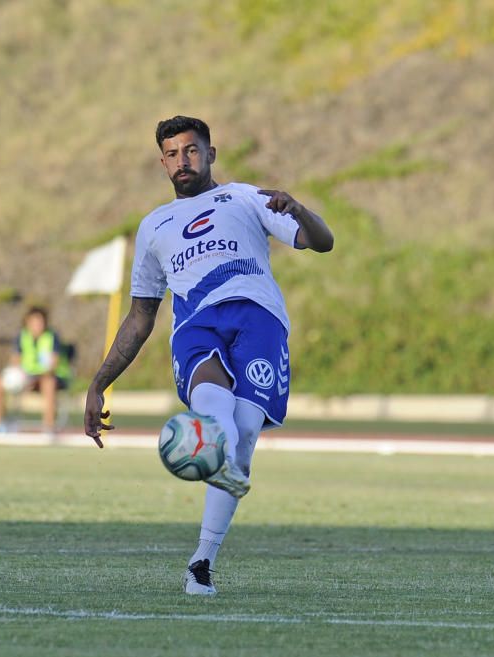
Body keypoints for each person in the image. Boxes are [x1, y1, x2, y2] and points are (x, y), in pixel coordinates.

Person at [83, 116, 334, 595]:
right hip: (196, 326)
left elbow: (323, 242)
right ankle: (208, 452)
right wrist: (98, 384)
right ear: (162, 162)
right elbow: (140, 319)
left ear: (211, 154)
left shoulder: (244, 197)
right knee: (219, 417)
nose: (183, 161)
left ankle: (202, 560)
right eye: (173, 154)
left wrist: (299, 209)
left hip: (260, 319)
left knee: (241, 435)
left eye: (192, 151)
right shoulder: (154, 226)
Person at [0, 306, 72, 433]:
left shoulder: (52, 336)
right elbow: (15, 360)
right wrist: (19, 375)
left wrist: (36, 378)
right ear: (27, 322)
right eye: (34, 322)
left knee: (48, 382)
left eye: (40, 322)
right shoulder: (21, 336)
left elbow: (53, 364)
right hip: (26, 377)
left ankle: (48, 427)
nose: (37, 325)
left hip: (48, 377)